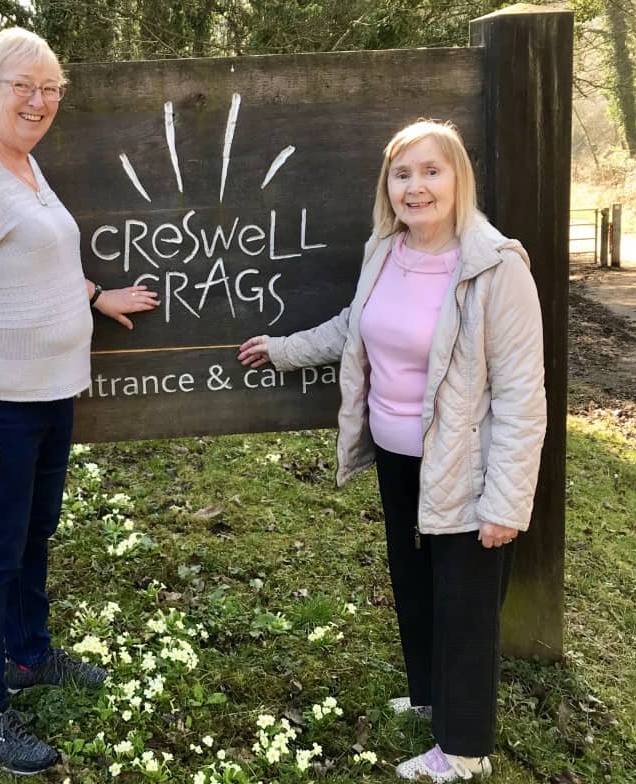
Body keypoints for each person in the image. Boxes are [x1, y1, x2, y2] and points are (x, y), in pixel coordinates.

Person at [238, 120, 546, 782]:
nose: (416, 187)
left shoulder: (496, 267)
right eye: (402, 174)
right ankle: (432, 697)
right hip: (399, 457)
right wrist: (284, 350)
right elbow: (356, 323)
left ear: (458, 177)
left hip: (466, 464)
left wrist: (507, 501)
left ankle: (463, 750)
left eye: (431, 171)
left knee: (465, 604)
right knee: (416, 584)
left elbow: (524, 395)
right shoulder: (386, 250)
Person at [0, 27, 158, 774]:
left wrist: (93, 295)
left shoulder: (21, 163)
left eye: (51, 89)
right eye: (24, 85)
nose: (40, 101)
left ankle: (28, 656)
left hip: (49, 395)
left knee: (31, 535)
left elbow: (34, 257)